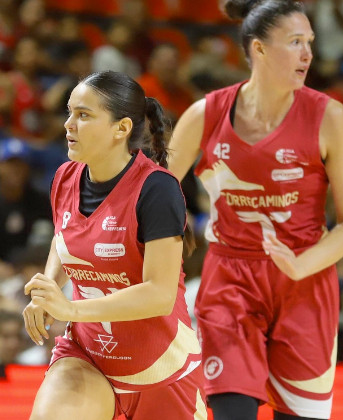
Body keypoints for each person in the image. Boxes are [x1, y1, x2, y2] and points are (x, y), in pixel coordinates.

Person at [167, 1, 343, 419]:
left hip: (305, 280)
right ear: (258, 49)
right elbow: (148, 192)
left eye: (310, 42)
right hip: (231, 279)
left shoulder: (329, 116)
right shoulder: (206, 114)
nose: (308, 54)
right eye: (295, 42)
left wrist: (300, 264)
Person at [23, 70, 206, 420]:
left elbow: (159, 293)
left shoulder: (157, 188)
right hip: (88, 356)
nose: (68, 125)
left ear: (121, 128)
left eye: (83, 115)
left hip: (162, 367)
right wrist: (49, 290)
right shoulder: (65, 177)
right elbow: (64, 238)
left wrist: (70, 309)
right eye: (69, 112)